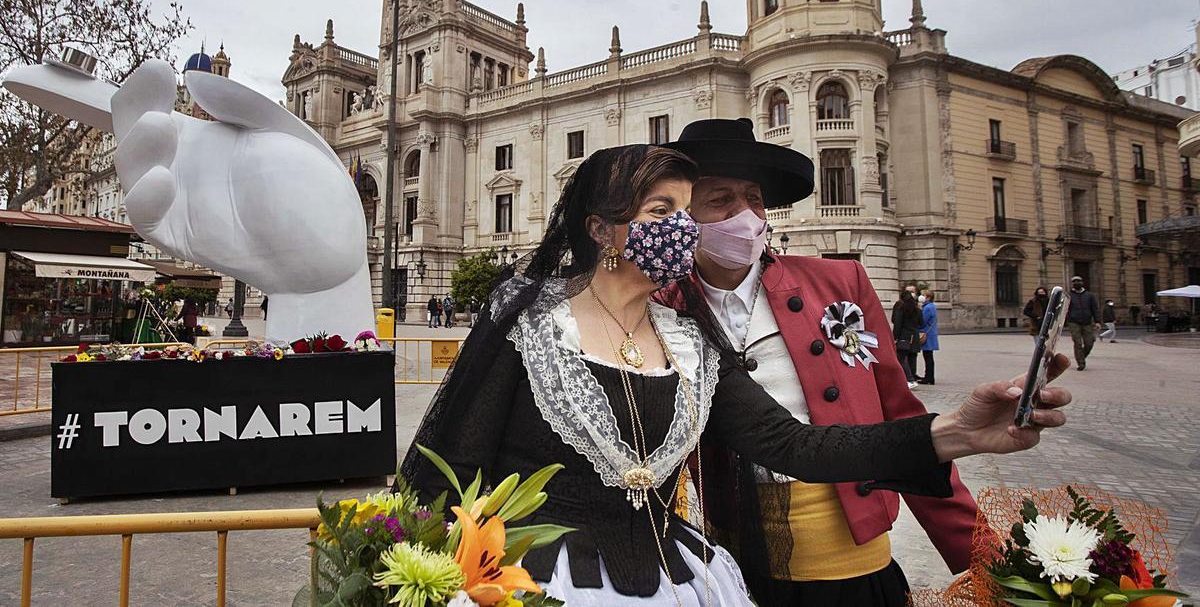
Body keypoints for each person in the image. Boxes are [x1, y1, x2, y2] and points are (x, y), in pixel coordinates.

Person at [401, 142, 1071, 606]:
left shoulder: (691, 339)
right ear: (604, 230)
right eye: (664, 213)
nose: (684, 231)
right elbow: (441, 471)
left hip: (679, 579)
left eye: (685, 213)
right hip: (544, 581)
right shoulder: (528, 319)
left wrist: (952, 431)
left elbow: (796, 444)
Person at [656, 119, 980, 606]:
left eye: (755, 198)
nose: (744, 215)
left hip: (849, 557)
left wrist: (981, 556)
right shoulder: (659, 307)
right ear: (683, 213)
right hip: (724, 563)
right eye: (721, 199)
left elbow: (900, 416)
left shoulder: (839, 282)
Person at [1066, 275, 1101, 371]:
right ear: (1072, 284)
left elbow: (1095, 309)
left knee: (1089, 342)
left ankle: (1081, 356)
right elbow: (1064, 309)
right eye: (1074, 281)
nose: (1077, 283)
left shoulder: (1089, 295)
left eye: (1079, 281)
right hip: (1073, 322)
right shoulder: (1068, 295)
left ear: (1082, 283)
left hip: (1087, 322)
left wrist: (1097, 321)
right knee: (1077, 342)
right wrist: (1066, 321)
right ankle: (1081, 363)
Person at [891, 289, 924, 387]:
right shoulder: (917, 309)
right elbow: (921, 323)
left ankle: (909, 379)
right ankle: (913, 378)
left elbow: (897, 324)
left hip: (904, 336)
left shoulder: (901, 308)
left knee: (901, 358)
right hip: (914, 336)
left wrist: (894, 337)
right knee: (912, 358)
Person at [919, 289, 939, 385]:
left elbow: (922, 321)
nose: (921, 296)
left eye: (923, 295)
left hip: (927, 334)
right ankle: (929, 377)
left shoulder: (927, 308)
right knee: (928, 356)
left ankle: (928, 377)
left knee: (928, 357)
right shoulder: (931, 306)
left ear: (928, 297)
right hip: (930, 334)